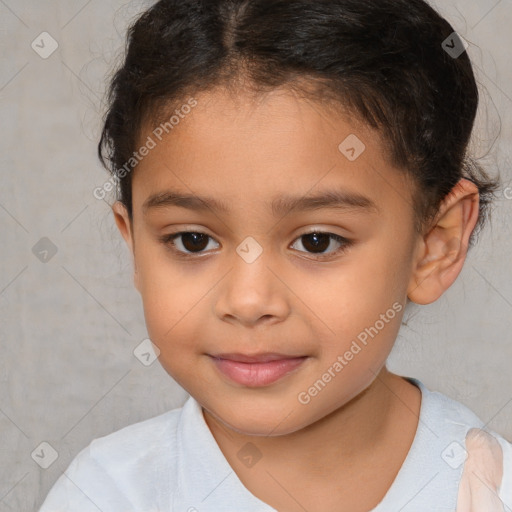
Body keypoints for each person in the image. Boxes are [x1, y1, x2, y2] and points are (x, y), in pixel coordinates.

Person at [38, 0, 511, 510]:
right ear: (133, 244)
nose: (247, 301)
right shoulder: (107, 494)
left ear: (434, 245)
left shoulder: (489, 490)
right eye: (193, 240)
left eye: (317, 241)